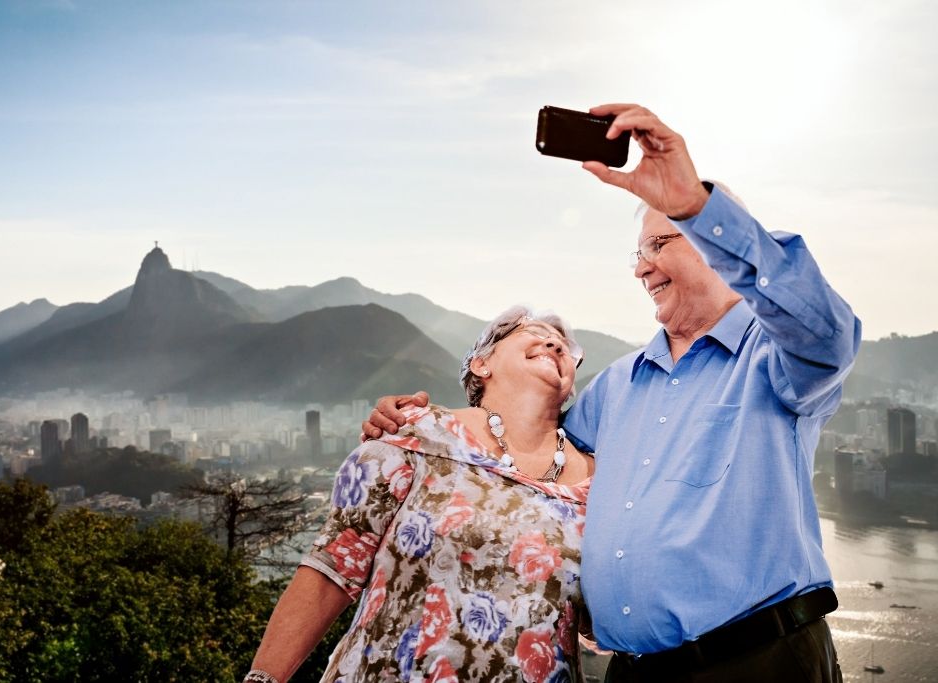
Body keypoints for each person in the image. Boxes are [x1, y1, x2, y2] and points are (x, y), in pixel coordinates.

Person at [364, 103, 860, 682]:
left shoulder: (775, 359)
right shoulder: (617, 385)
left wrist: (696, 206)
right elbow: (522, 455)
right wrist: (421, 423)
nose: (641, 269)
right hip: (634, 672)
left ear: (711, 246)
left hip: (760, 662)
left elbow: (825, 330)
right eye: (638, 252)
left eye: (660, 244)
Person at [242, 306, 596, 683]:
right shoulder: (417, 435)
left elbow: (606, 613)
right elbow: (331, 570)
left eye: (565, 347)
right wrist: (263, 678)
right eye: (533, 331)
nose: (554, 342)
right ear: (480, 365)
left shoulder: (602, 482)